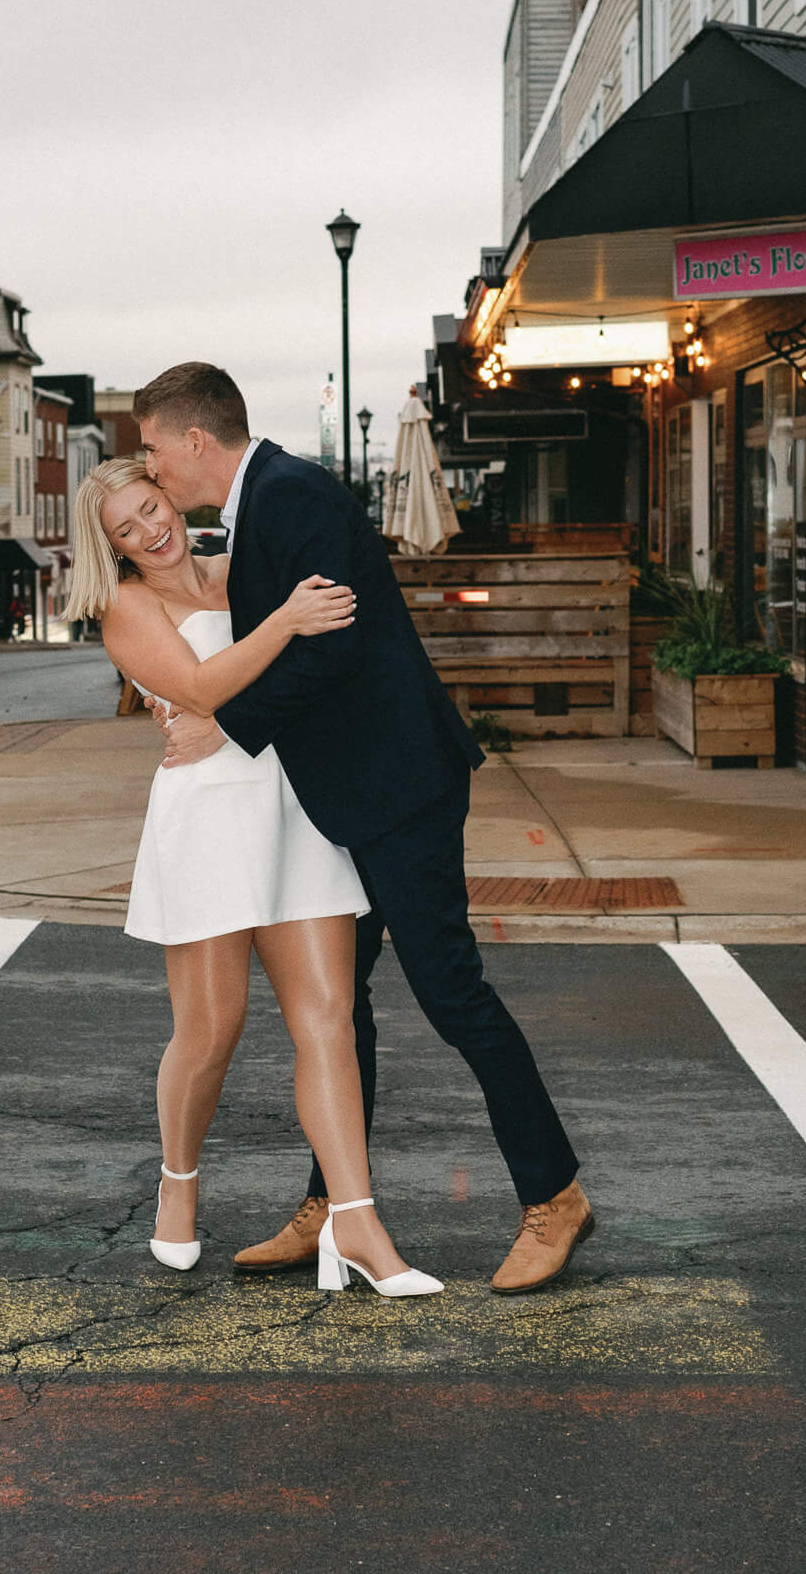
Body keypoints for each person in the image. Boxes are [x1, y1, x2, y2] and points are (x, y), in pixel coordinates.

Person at [135, 361, 592, 1294]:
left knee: (451, 992)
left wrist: (225, 720)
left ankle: (555, 1198)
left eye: (151, 447)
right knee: (341, 1014)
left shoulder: (294, 494)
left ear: (194, 440)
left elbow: (334, 649)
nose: (148, 468)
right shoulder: (260, 506)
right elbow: (202, 623)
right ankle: (335, 1210)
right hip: (346, 801)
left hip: (398, 790)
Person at [65, 457, 441, 1298]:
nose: (149, 531)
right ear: (110, 548)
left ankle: (359, 1224)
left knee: (329, 1022)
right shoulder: (126, 606)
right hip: (205, 820)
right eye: (124, 529)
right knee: (211, 1032)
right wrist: (282, 625)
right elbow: (200, 685)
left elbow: (287, 684)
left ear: (169, 494)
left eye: (149, 507)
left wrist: (266, 656)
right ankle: (178, 1184)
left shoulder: (243, 570)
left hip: (292, 806)